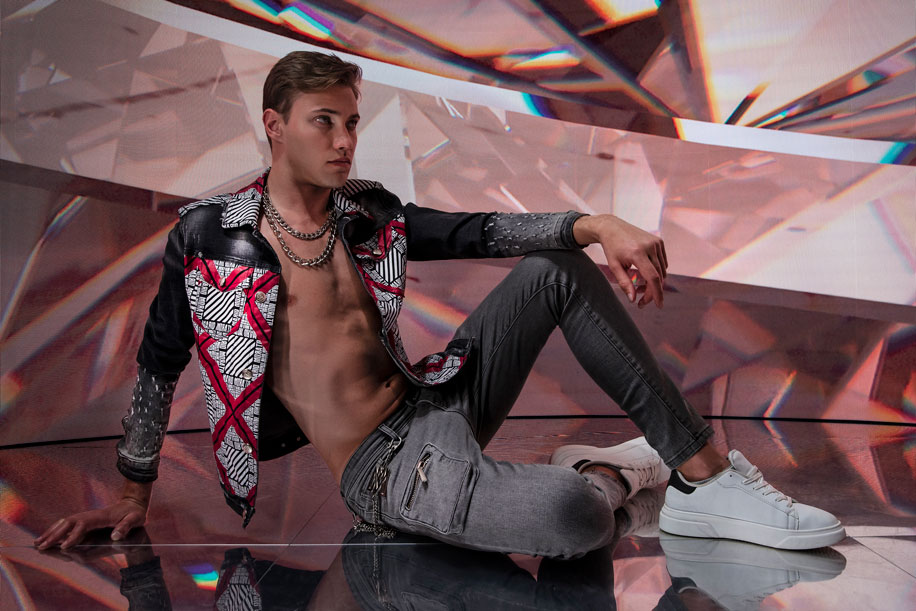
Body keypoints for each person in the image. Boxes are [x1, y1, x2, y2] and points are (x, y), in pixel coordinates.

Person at [36, 51, 845, 558]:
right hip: (384, 470)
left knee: (553, 267)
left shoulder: (365, 212)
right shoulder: (210, 237)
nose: (345, 141)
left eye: (352, 123)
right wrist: (133, 492)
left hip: (436, 397)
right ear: (275, 127)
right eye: (325, 123)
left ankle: (704, 478)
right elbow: (159, 361)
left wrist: (597, 223)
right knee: (574, 516)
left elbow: (477, 230)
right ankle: (605, 471)